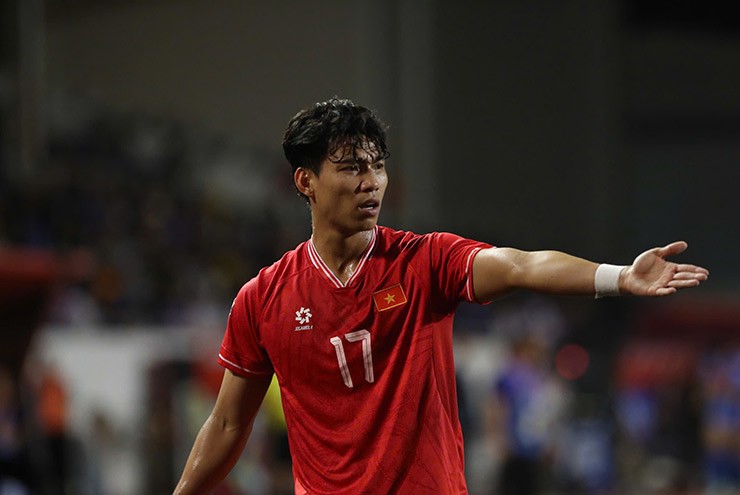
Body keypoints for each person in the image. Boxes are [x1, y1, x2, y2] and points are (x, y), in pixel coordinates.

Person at [173, 97, 708, 495]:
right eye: (352, 167)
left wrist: (619, 276)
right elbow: (228, 423)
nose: (371, 182)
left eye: (377, 165)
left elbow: (519, 265)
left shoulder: (424, 262)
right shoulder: (262, 299)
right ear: (305, 181)